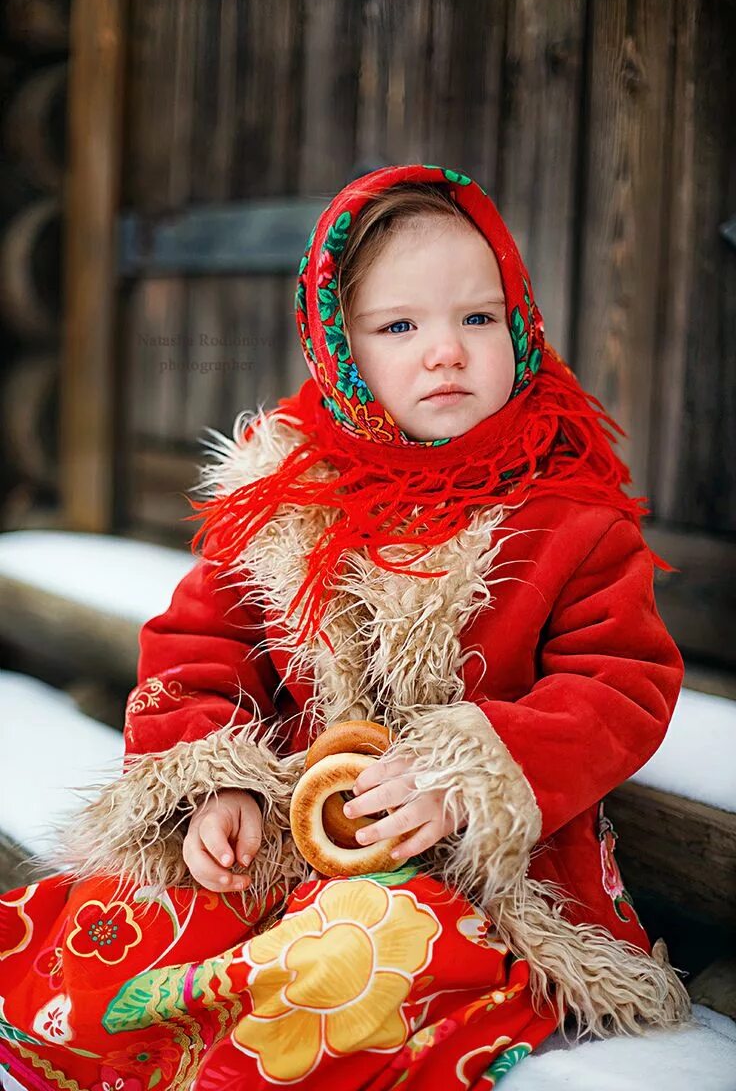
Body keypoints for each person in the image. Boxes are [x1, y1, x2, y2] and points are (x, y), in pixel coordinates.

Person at [0, 163, 692, 1091]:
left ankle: (247, 1058)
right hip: (292, 828)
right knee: (135, 918)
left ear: (520, 323)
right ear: (341, 349)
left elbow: (620, 682)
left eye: (476, 317)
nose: (445, 351)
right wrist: (214, 790)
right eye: (400, 326)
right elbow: (201, 653)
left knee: (370, 955)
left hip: (480, 873)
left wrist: (476, 770)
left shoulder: (570, 514)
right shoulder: (288, 501)